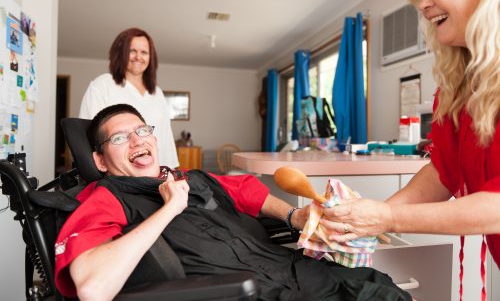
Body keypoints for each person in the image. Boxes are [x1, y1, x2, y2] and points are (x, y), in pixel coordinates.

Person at [54, 104, 411, 301]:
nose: (136, 141)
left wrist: (295, 215)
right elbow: (92, 287)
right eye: (120, 137)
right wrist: (168, 210)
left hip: (298, 272)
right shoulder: (106, 198)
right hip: (243, 292)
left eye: (142, 131)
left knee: (385, 291)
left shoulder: (188, 177)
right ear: (100, 161)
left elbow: (244, 190)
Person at [322, 0, 500, 280]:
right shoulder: (457, 90)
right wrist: (369, 218)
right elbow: (442, 172)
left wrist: (389, 217)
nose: (422, 4)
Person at [79, 27, 178, 168]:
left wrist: (170, 171)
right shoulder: (102, 85)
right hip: (119, 175)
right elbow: (88, 137)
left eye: (144, 52)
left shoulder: (157, 93)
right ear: (121, 54)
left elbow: (166, 138)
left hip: (156, 174)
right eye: (132, 51)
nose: (138, 57)